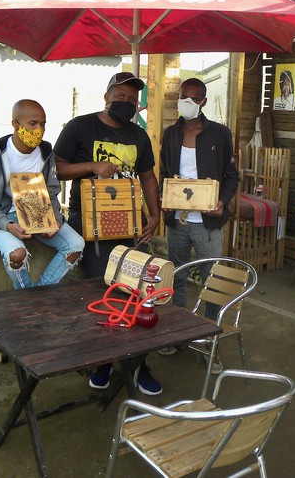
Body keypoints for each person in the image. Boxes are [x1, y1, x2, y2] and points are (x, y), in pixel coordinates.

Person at [54, 71, 162, 395]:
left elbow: (148, 178)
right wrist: (91, 165)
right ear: (106, 96)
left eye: (132, 99)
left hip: (129, 223)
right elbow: (57, 167)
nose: (126, 102)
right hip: (88, 222)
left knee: (137, 292)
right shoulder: (80, 126)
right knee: (99, 294)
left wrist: (155, 214)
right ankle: (102, 362)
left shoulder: (139, 136)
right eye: (121, 96)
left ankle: (139, 365)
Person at [158, 77, 240, 373]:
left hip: (208, 223)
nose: (186, 103)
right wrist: (163, 198)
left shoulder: (219, 134)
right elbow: (165, 173)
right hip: (177, 222)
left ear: (203, 102)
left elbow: (232, 176)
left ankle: (209, 344)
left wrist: (222, 201)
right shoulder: (170, 134)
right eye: (183, 97)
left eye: (193, 99)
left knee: (211, 282)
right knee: (176, 277)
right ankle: (178, 334)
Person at [0, 99, 85, 289]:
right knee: (17, 254)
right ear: (15, 124)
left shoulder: (46, 152)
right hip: (3, 217)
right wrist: (7, 225)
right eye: (32, 124)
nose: (39, 129)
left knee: (75, 245)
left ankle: (39, 294)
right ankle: (25, 294)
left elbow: (51, 192)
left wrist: (54, 220)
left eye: (43, 124)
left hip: (37, 212)